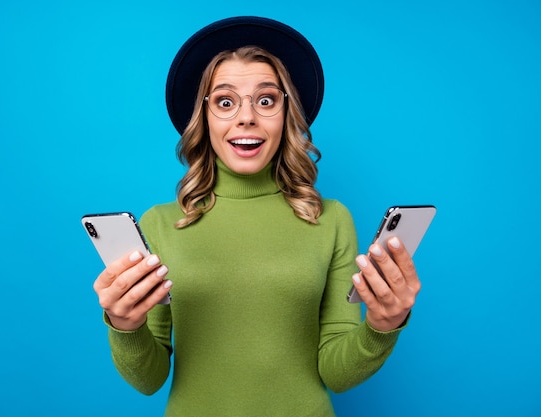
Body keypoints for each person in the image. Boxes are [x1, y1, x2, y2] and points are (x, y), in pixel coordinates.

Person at [93, 16, 420, 417]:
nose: (246, 117)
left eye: (265, 100)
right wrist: (124, 326)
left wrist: (383, 325)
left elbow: (337, 373)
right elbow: (149, 379)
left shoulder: (331, 219)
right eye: (225, 102)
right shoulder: (161, 223)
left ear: (286, 115)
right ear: (205, 117)